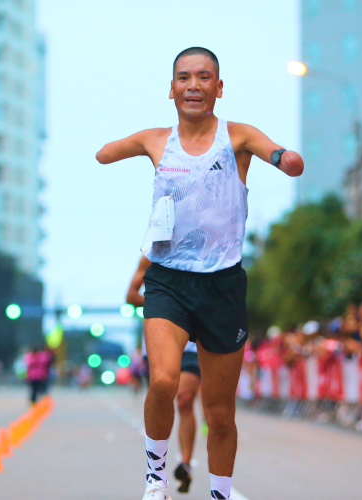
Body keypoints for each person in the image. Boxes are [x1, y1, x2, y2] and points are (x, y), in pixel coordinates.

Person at [97, 46, 304, 500]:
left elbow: (278, 153)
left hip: (222, 284)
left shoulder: (238, 136)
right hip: (168, 279)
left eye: (204, 77)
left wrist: (283, 158)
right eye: (184, 78)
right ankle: (156, 478)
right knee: (164, 381)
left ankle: (220, 493)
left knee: (220, 412)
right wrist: (118, 149)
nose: (194, 85)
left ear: (219, 87)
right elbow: (104, 154)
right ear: (171, 89)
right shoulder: (157, 140)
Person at [127, 255, 200, 493]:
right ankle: (156, 473)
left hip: (192, 345)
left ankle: (185, 464)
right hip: (160, 339)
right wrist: (166, 304)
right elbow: (131, 296)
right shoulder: (152, 254)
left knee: (185, 399)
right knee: (162, 393)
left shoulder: (203, 252)